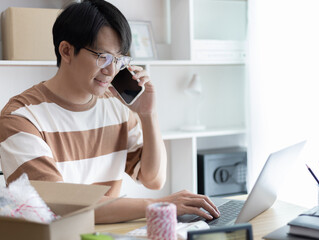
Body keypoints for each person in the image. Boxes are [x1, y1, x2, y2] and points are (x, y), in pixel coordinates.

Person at [0, 0, 219, 223]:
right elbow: (60, 207)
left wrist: (147, 115)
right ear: (66, 50)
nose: (111, 70)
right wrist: (160, 206)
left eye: (119, 60)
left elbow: (153, 179)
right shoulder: (21, 117)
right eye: (102, 57)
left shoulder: (115, 106)